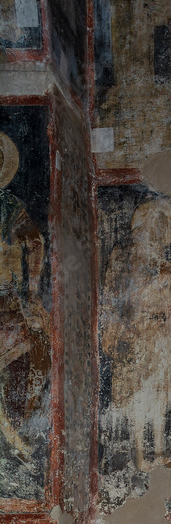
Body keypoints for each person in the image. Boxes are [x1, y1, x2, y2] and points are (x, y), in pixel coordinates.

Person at [100, 197, 171, 470]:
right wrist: (161, 280)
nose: (160, 231)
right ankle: (141, 457)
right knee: (141, 393)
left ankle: (160, 450)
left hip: (158, 331)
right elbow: (125, 294)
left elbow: (164, 293)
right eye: (157, 224)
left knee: (161, 392)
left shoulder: (156, 254)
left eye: (164, 227)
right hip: (136, 332)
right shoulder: (127, 251)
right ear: (147, 221)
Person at [0, 130, 49, 462]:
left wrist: (30, 293)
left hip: (6, 297)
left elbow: (34, 241)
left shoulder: (9, 204)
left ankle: (17, 428)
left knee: (39, 349)